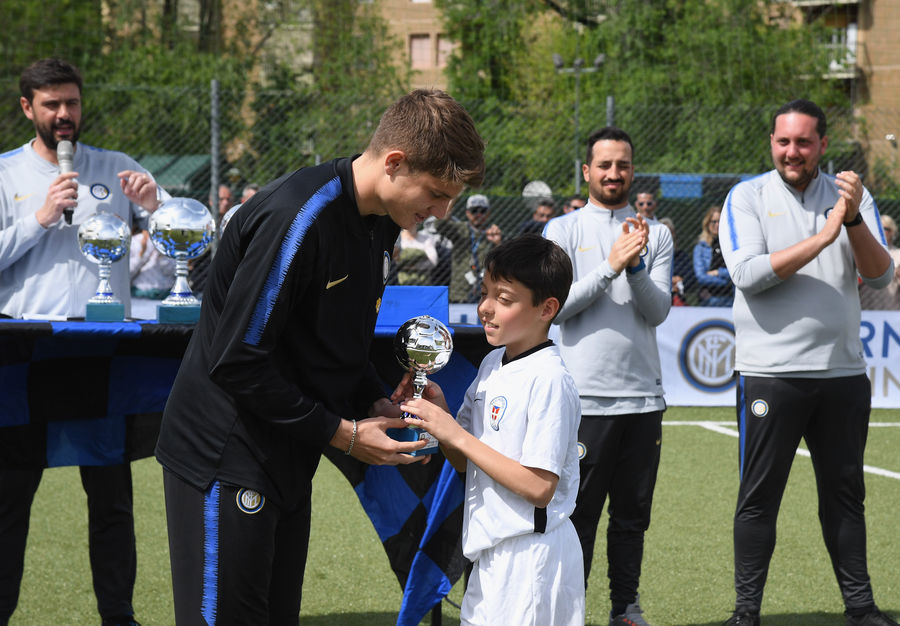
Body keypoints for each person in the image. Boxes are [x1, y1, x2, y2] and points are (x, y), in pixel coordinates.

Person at [154, 88, 486, 624]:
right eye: (437, 193)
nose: (442, 211)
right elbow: (237, 361)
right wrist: (345, 434)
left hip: (286, 454)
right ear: (394, 162)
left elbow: (336, 343)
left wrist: (374, 400)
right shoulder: (297, 217)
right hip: (226, 455)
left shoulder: (380, 222)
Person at [0, 57, 167, 626]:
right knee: (9, 497)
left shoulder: (118, 169)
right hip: (26, 353)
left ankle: (118, 616)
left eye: (71, 102)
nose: (64, 114)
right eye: (51, 105)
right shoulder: (6, 174)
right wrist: (40, 218)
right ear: (27, 108)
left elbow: (180, 248)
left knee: (112, 498)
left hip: (102, 352)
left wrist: (155, 207)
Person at [719, 99, 897, 626]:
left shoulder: (850, 196)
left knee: (846, 498)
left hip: (843, 374)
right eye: (783, 141)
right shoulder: (746, 196)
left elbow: (881, 275)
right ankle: (746, 613)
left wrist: (853, 218)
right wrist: (823, 236)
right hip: (769, 377)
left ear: (822, 144)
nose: (792, 151)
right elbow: (748, 274)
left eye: (803, 142)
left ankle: (861, 609)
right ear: (771, 143)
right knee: (759, 499)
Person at [393, 233, 584, 626]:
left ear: (547, 308)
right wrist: (441, 414)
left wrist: (456, 434)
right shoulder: (493, 363)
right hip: (489, 553)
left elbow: (539, 487)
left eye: (504, 299)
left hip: (531, 559)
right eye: (484, 293)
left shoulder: (549, 378)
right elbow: (465, 462)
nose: (486, 307)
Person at [543, 127, 673, 626]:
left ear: (632, 171)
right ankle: (570, 612)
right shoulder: (561, 230)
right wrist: (610, 265)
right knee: (577, 517)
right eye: (604, 165)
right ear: (586, 171)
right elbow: (554, 309)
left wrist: (635, 268)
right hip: (583, 401)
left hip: (642, 400)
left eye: (622, 165)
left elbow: (658, 311)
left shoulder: (656, 233)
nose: (613, 173)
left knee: (632, 517)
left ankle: (625, 609)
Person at [434, 193, 502, 303]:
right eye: (474, 211)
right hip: (460, 294)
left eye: (482, 211)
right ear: (467, 213)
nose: (478, 214)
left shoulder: (493, 232)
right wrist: (454, 197)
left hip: (486, 294)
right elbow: (439, 224)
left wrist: (497, 243)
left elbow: (503, 265)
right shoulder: (460, 229)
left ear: (488, 213)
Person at [693, 205, 734, 307]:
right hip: (709, 298)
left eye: (720, 221)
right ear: (707, 224)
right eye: (713, 221)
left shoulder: (731, 245)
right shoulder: (701, 248)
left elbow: (736, 271)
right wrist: (727, 282)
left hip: (731, 297)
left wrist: (717, 272)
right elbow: (701, 276)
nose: (717, 225)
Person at [859, 214, 900, 309]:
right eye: (877, 227)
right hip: (865, 305)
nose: (880, 230)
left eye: (885, 228)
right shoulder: (863, 252)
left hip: (889, 307)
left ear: (892, 232)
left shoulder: (898, 254)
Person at [130, 226, 175, 300]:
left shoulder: (170, 242)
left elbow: (171, 271)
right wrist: (143, 254)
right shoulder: (135, 241)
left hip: (166, 294)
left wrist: (162, 254)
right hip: (140, 294)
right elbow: (128, 272)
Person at [659, 217, 693, 306]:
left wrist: (679, 284)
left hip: (678, 298)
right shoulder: (653, 256)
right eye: (663, 232)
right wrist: (672, 280)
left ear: (673, 234)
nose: (667, 235)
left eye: (669, 232)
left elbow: (691, 279)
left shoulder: (682, 256)